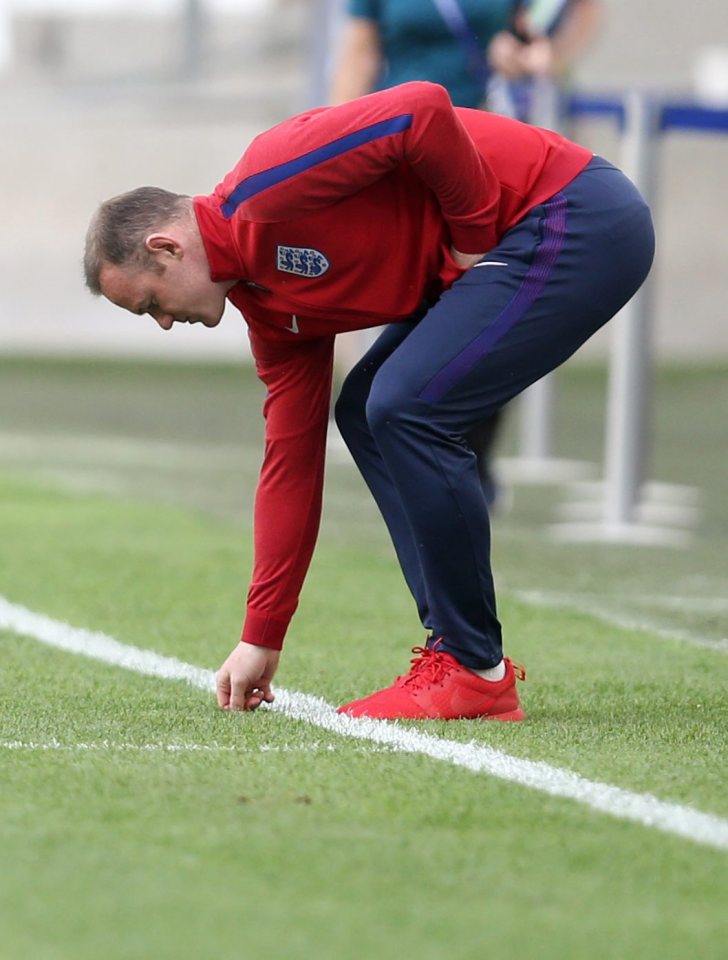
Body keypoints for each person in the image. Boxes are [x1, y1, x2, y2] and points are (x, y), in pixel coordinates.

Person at [84, 81, 654, 720]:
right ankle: (457, 655)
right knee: (365, 411)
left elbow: (421, 109)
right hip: (519, 243)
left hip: (575, 212)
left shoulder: (266, 180)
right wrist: (261, 635)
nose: (161, 323)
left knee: (405, 407)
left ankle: (473, 668)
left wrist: (470, 234)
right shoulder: (271, 311)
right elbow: (290, 466)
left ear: (166, 247)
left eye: (150, 303)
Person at [330, 0, 601, 502]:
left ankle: (473, 454)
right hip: (410, 161)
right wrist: (329, 149)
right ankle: (426, 439)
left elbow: (567, 15)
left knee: (488, 300)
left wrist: (547, 57)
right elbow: (359, 56)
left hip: (492, 157)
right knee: (421, 296)